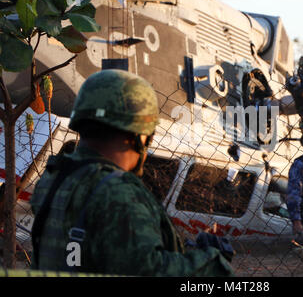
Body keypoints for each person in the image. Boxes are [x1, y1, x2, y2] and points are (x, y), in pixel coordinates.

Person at [30, 69, 233, 276]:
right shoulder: (117, 192)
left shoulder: (54, 178)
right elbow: (150, 271)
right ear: (138, 136)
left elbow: (103, 254)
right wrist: (211, 261)